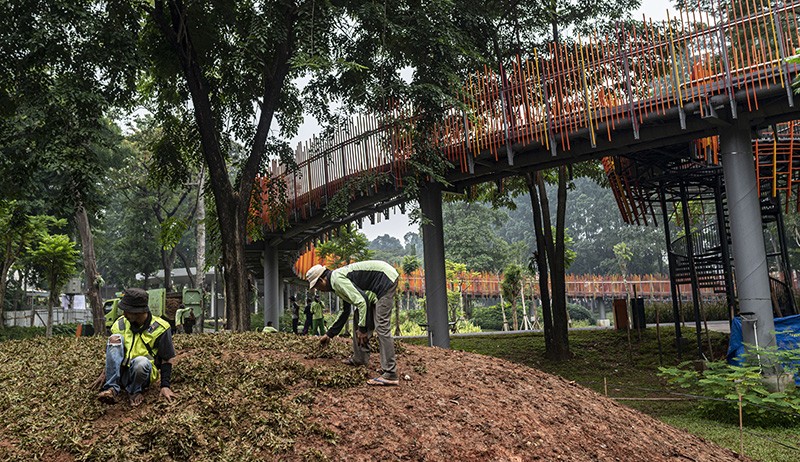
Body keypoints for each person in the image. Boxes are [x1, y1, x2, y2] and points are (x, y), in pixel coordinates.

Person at [306, 261, 400, 386]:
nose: (320, 291)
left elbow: (362, 301)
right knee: (357, 316)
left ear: (322, 280)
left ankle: (390, 373)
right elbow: (346, 311)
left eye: (318, 287)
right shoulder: (337, 280)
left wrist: (362, 329)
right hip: (378, 284)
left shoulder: (337, 280)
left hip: (385, 280)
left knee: (382, 325)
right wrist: (329, 334)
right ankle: (360, 359)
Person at [95, 288, 177, 407]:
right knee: (114, 339)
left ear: (138, 312)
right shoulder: (120, 323)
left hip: (142, 374)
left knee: (141, 362)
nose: (124, 314)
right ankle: (111, 388)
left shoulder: (160, 328)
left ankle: (134, 390)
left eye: (127, 311)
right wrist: (105, 372)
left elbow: (167, 358)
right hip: (122, 373)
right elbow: (113, 352)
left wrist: (165, 386)